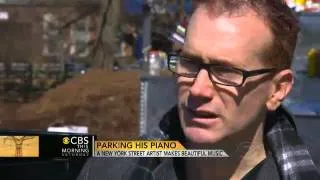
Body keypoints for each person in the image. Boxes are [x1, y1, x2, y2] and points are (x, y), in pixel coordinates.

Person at [77, 0, 320, 179]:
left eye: (226, 72)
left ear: (278, 89)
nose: (198, 89)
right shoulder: (107, 172)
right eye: (191, 63)